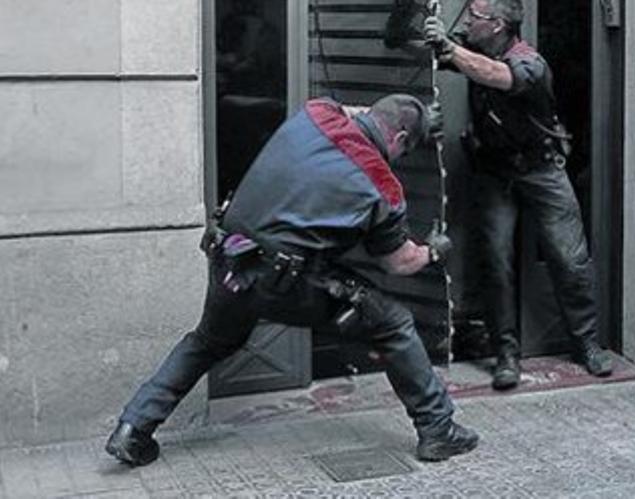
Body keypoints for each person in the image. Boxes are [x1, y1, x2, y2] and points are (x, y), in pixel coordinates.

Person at [105, 95, 478, 467]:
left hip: (230, 258)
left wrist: (409, 112)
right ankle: (437, 430)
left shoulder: (317, 113)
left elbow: (349, 109)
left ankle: (133, 428)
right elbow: (398, 263)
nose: (400, 157)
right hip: (285, 282)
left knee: (207, 342)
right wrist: (433, 251)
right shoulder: (383, 185)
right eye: (406, 149)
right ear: (397, 141)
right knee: (394, 323)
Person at [423, 0, 612, 391]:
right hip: (495, 172)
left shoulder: (529, 63)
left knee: (570, 258)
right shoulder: (473, 50)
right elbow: (414, 44)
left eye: (475, 15)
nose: (467, 21)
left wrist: (450, 50)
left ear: (498, 26)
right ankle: (506, 355)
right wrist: (414, 20)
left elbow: (498, 77)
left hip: (543, 170)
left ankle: (587, 345)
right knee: (497, 263)